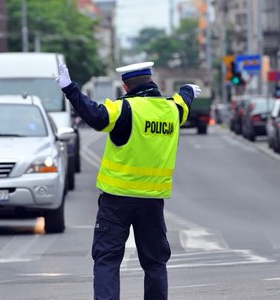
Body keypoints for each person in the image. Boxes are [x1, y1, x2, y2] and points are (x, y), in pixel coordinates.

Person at [56, 61, 200, 300]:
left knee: (107, 260)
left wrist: (70, 88)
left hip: (117, 200)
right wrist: (188, 89)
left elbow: (94, 115)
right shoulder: (172, 110)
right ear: (151, 80)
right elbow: (183, 100)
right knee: (154, 263)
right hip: (152, 202)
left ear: (125, 87)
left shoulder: (124, 109)